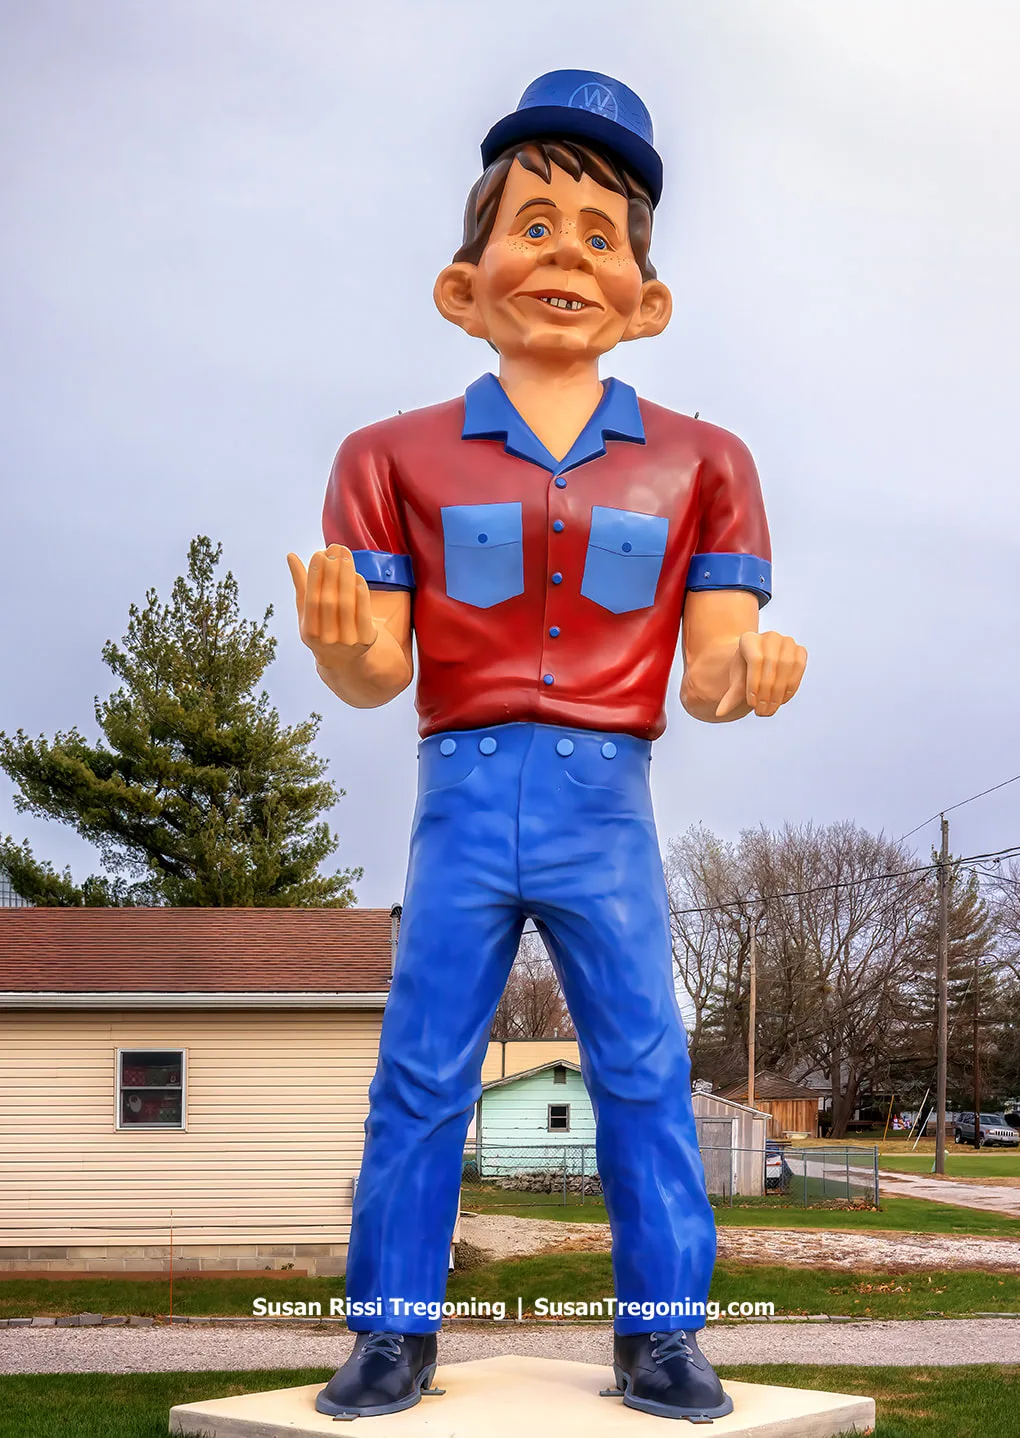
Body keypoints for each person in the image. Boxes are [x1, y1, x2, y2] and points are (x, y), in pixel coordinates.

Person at [288, 68, 807, 1423]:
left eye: (600, 232)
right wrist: (342, 640)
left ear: (645, 295)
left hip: (603, 799)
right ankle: (391, 1335)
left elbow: (703, 674)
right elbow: (376, 670)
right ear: (463, 279)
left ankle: (662, 1337)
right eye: (532, 224)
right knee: (420, 1066)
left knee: (640, 1062)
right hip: (459, 790)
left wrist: (743, 671)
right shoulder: (387, 455)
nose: (565, 255)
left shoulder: (706, 465)